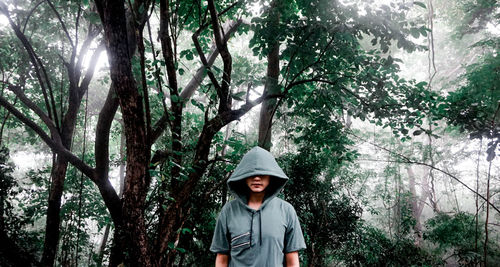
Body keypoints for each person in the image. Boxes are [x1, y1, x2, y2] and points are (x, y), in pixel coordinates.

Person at [210, 146, 306, 267]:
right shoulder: (229, 211)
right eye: (251, 174)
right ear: (243, 176)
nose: (256, 178)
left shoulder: (286, 211)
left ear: (271, 176)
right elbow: (221, 257)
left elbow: (292, 259)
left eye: (262, 173)